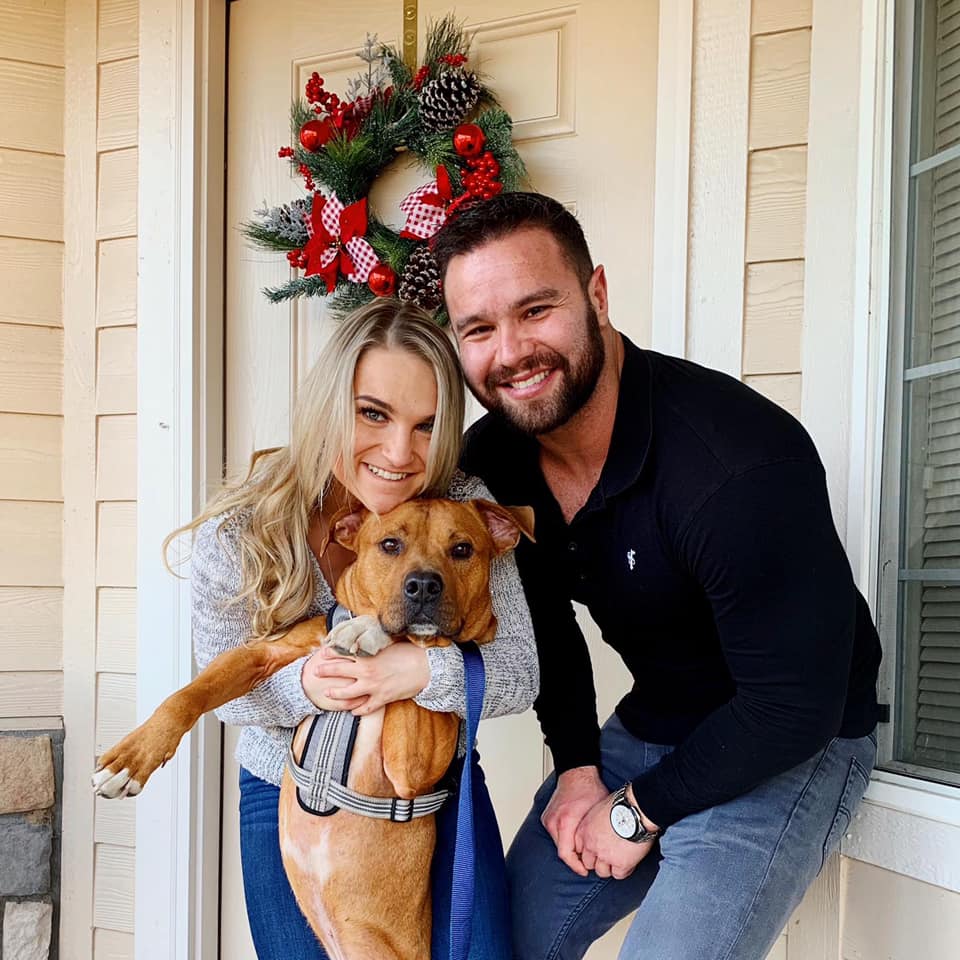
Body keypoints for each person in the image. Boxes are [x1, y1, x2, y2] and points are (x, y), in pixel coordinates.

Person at [431, 193, 882, 960]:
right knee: (494, 943)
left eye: (536, 310)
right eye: (479, 328)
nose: (509, 352)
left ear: (596, 296)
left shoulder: (735, 463)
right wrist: (577, 770)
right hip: (658, 726)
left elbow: (793, 706)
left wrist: (636, 813)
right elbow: (547, 627)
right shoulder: (495, 461)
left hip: (794, 738)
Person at [167, 300, 537, 960]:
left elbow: (520, 673)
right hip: (290, 786)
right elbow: (230, 696)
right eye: (373, 413)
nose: (399, 452)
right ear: (329, 405)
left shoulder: (460, 509)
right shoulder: (240, 534)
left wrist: (420, 671)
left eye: (425, 425)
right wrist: (312, 684)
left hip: (431, 793)